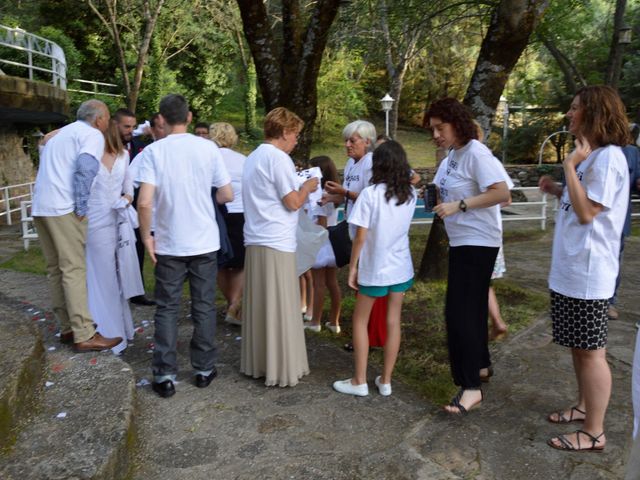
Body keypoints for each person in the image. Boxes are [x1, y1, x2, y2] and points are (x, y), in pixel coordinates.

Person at [539, 85, 630, 451]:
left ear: (594, 113)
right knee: (579, 347)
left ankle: (594, 431)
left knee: (592, 351)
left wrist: (568, 166)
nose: (568, 114)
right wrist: (560, 188)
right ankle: (583, 406)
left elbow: (588, 212)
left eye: (575, 108)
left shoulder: (607, 157)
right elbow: (583, 199)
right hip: (572, 270)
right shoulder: (592, 157)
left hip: (589, 273)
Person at [136, 94, 233, 398]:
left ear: (161, 120)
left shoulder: (154, 152)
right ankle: (203, 369)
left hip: (169, 242)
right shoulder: (208, 149)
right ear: (189, 117)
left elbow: (145, 201)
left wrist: (146, 237)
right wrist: (207, 202)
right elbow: (227, 194)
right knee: (203, 306)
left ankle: (165, 373)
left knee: (167, 308)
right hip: (204, 240)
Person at [427, 97, 513, 414]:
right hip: (463, 242)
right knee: (472, 310)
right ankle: (481, 367)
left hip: (479, 242)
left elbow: (502, 193)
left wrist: (460, 205)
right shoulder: (453, 155)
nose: (436, 134)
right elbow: (440, 185)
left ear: (457, 123)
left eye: (440, 127)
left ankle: (470, 388)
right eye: (433, 129)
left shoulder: (476, 152)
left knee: (459, 313)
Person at [32, 99, 122, 352]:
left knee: (55, 269)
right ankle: (84, 332)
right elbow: (85, 169)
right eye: (107, 118)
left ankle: (67, 326)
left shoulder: (60, 135)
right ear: (99, 119)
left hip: (41, 205)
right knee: (73, 269)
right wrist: (81, 207)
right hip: (63, 207)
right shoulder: (91, 135)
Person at [240, 107, 319, 387]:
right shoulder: (278, 158)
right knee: (281, 305)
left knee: (261, 305)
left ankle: (259, 362)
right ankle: (281, 367)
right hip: (276, 240)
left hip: (255, 238)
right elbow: (293, 202)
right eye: (295, 134)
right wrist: (308, 187)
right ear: (285, 132)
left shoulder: (252, 157)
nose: (296, 140)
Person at [333, 140, 416, 396]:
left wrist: (353, 267)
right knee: (394, 322)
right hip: (401, 267)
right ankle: (386, 380)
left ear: (377, 164)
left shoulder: (370, 194)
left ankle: (359, 380)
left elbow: (360, 237)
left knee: (360, 321)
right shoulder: (409, 195)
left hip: (375, 268)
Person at [86, 119, 142, 355]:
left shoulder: (123, 155)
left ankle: (117, 328)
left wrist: (125, 201)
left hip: (116, 221)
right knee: (100, 275)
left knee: (115, 275)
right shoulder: (88, 157)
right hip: (92, 220)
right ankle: (101, 327)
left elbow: (130, 190)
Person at [113, 108, 155, 306]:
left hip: (135, 205)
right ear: (115, 125)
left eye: (132, 126)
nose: (130, 130)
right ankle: (114, 289)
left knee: (137, 247)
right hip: (110, 206)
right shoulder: (104, 147)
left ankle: (136, 291)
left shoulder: (140, 148)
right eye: (126, 126)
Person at [209, 122, 246, 326]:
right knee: (241, 264)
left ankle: (230, 302)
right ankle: (234, 304)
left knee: (220, 263)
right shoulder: (243, 160)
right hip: (240, 214)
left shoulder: (209, 159)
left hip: (217, 214)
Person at [303, 156, 342, 334]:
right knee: (332, 282)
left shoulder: (319, 195)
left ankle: (315, 321)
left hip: (321, 242)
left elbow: (321, 220)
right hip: (334, 242)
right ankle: (334, 321)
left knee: (319, 283)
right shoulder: (335, 193)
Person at [607, 128, 640, 320]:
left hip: (618, 220)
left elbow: (637, 181)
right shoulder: (591, 149)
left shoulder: (632, 153)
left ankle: (610, 302)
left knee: (614, 262)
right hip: (591, 219)